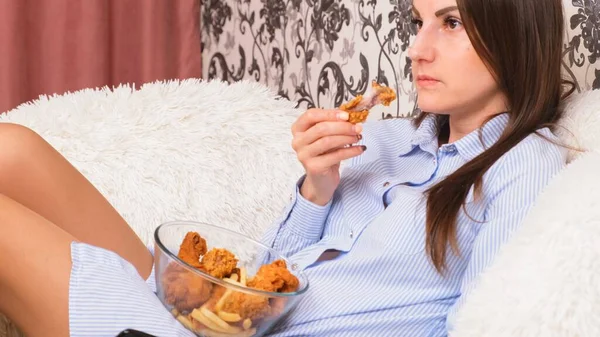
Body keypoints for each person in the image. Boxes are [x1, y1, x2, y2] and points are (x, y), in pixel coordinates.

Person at [0, 0, 571, 335]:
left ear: (514, 31)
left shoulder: (526, 168)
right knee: (13, 147)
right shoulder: (385, 139)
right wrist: (317, 189)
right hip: (213, 315)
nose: (418, 49)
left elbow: (486, 323)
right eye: (417, 23)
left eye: (449, 23)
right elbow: (268, 272)